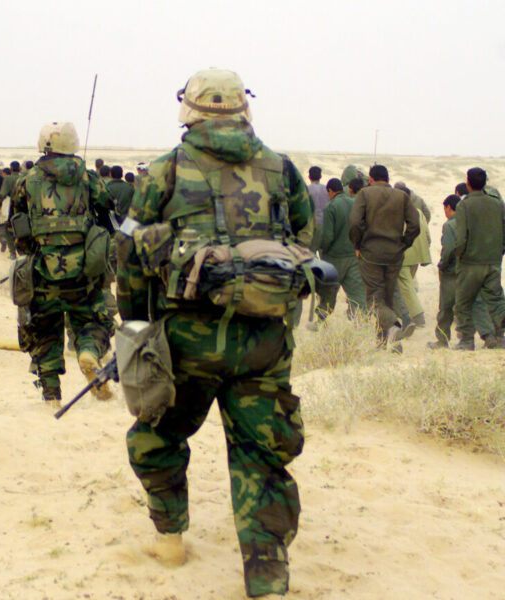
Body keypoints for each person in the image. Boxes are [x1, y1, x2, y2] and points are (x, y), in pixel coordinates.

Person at [116, 68, 312, 598]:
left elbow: (130, 254)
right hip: (265, 345)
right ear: (242, 108)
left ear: (191, 108)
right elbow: (301, 241)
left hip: (186, 345)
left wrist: (134, 326)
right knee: (262, 455)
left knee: (157, 435)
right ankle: (267, 575)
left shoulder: (163, 172)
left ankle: (171, 539)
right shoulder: (282, 168)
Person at [11, 121, 115, 405]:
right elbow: (109, 218)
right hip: (85, 273)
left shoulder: (26, 181)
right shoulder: (90, 179)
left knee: (44, 331)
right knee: (93, 321)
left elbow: (18, 224)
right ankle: (89, 352)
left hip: (43, 273)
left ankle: (51, 395)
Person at [348, 164, 420, 348]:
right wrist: (404, 243)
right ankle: (386, 343)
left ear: (371, 179)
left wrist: (357, 244)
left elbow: (355, 223)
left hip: (370, 253)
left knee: (374, 300)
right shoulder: (402, 196)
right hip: (395, 255)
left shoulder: (364, 194)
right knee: (387, 298)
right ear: (387, 178)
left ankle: (394, 325)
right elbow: (415, 226)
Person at [452, 167, 505, 350]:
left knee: (464, 302)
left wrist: (460, 255)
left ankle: (467, 340)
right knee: (496, 301)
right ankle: (500, 338)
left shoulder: (464, 205)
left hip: (470, 262)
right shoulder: (497, 203)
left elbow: (461, 238)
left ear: (468, 183)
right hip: (493, 261)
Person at [315, 178, 366, 320]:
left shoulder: (330, 207)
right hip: (353, 256)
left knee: (328, 293)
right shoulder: (354, 203)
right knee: (357, 294)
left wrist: (321, 249)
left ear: (330, 191)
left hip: (334, 258)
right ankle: (361, 322)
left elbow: (328, 237)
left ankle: (321, 321)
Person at [307, 166, 330, 252]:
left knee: (311, 251)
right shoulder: (326, 189)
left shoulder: (307, 189)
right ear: (320, 176)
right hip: (325, 223)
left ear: (309, 177)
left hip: (312, 224)